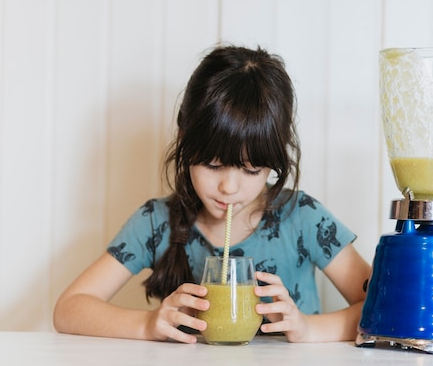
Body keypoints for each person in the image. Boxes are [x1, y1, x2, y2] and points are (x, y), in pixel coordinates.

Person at [53, 45, 371, 344]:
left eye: (251, 170)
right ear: (183, 141)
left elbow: (384, 305)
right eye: (212, 164)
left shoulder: (302, 217)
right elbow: (69, 309)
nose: (229, 188)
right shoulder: (157, 222)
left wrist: (308, 329)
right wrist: (147, 325)